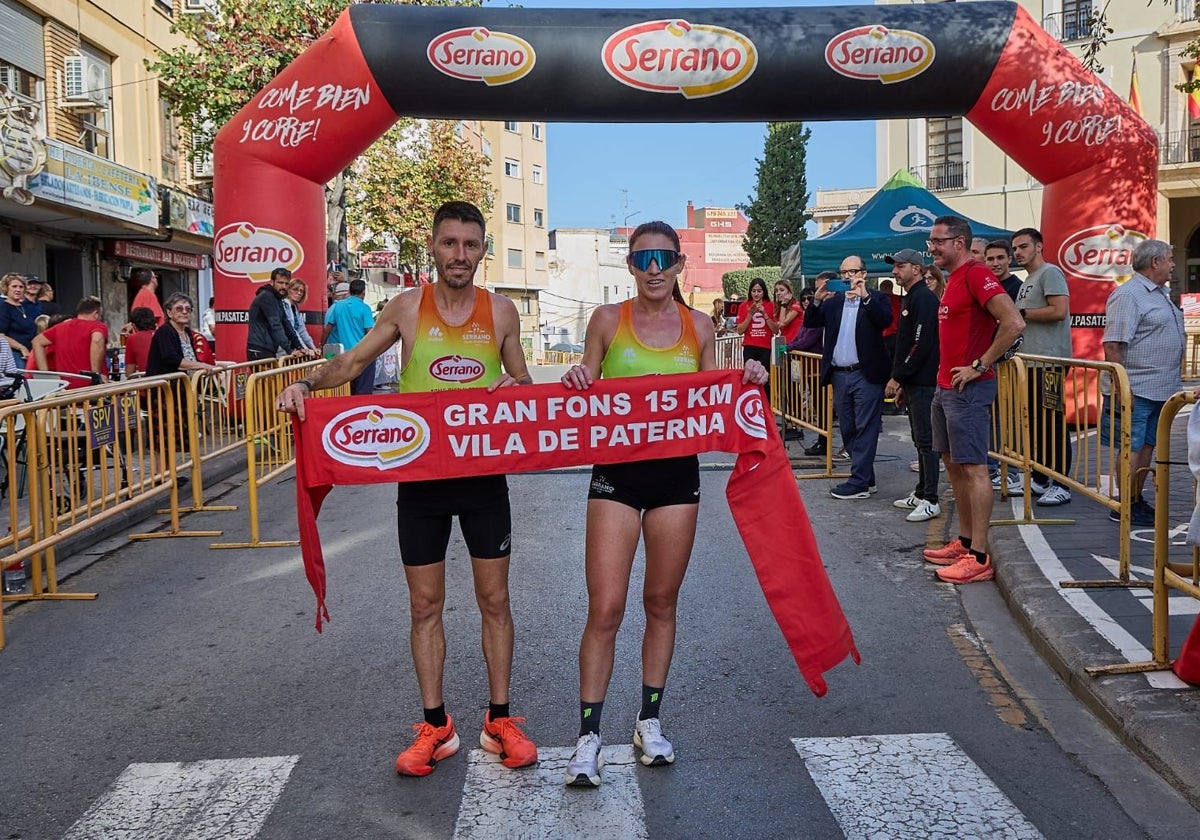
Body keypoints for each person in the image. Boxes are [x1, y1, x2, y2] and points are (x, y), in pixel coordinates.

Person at [277, 200, 538, 779]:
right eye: (450, 244)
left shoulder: (500, 313)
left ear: (482, 250)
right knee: (426, 605)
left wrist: (510, 388)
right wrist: (303, 383)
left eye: (471, 245)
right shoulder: (405, 306)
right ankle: (436, 724)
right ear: (433, 246)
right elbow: (350, 364)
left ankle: (500, 720)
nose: (460, 255)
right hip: (421, 479)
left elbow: (520, 380)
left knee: (494, 602)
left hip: (481, 478)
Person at [559, 220, 767, 787]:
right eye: (643, 258)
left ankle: (649, 722)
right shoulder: (607, 320)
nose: (654, 269)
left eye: (664, 259)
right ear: (630, 264)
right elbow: (586, 384)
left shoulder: (699, 326)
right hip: (617, 478)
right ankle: (588, 735)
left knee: (661, 603)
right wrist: (581, 374)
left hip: (677, 479)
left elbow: (712, 398)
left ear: (679, 266)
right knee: (605, 609)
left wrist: (746, 374)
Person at [922, 216, 1024, 584]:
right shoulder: (954, 280)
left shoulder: (978, 275)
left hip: (967, 389)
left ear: (959, 242)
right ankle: (965, 542)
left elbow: (1013, 322)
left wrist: (979, 366)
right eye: (931, 240)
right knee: (953, 464)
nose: (931, 247)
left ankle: (979, 556)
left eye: (937, 241)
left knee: (974, 468)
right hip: (946, 387)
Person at [1101, 239, 1184, 528]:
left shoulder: (1160, 293)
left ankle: (1135, 499)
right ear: (1155, 262)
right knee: (1131, 447)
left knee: (1148, 446)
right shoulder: (1129, 295)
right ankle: (1123, 504)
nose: (1173, 264)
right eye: (1170, 259)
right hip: (1137, 388)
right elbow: (1113, 346)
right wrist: (1124, 389)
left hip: (1159, 387)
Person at [804, 255, 893, 499]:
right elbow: (810, 322)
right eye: (843, 272)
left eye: (853, 271)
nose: (847, 276)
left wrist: (864, 296)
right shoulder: (834, 302)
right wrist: (817, 300)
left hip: (866, 373)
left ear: (863, 273)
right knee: (848, 428)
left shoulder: (876, 298)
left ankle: (859, 482)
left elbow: (885, 320)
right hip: (840, 374)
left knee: (866, 427)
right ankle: (867, 477)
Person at [1011, 227, 1074, 507]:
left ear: (1039, 246)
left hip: (1049, 362)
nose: (1018, 253)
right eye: (1015, 249)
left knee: (1053, 423)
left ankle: (1062, 483)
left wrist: (1022, 313)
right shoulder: (1029, 280)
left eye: (1023, 247)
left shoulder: (1050, 273)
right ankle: (1039, 477)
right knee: (1036, 424)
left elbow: (1058, 310)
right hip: (1030, 363)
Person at [884, 249, 942, 523]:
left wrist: (899, 377)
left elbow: (921, 343)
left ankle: (931, 498)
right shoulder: (912, 297)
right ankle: (921, 492)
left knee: (927, 441)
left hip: (925, 382)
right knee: (920, 440)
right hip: (914, 382)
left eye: (900, 266)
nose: (895, 271)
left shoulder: (924, 298)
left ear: (916, 269)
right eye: (894, 267)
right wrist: (904, 382)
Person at [31, 296, 109, 388]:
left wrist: (46, 375)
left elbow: (36, 342)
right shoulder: (97, 326)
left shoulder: (60, 327)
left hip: (65, 387)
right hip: (90, 388)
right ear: (96, 313)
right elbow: (97, 339)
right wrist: (95, 374)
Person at [321, 278, 376, 395]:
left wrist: (321, 346)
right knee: (363, 393)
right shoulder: (365, 308)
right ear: (363, 293)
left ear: (349, 292)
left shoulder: (338, 307)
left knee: (348, 392)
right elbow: (370, 332)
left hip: (344, 356)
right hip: (363, 356)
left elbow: (327, 330)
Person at [246, 267, 304, 361]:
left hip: (267, 350)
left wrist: (300, 347)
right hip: (259, 349)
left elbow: (287, 325)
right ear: (272, 282)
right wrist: (290, 350)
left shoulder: (278, 299)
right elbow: (275, 325)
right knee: (269, 376)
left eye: (286, 283)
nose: (284, 287)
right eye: (280, 283)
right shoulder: (267, 297)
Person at [735, 277, 777, 397]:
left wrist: (765, 314)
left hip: (765, 347)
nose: (756, 294)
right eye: (754, 291)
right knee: (750, 376)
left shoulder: (771, 305)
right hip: (749, 347)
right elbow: (739, 330)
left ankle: (766, 404)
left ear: (764, 291)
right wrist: (750, 314)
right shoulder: (744, 306)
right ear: (750, 292)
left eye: (759, 291)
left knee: (765, 378)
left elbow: (775, 330)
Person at [773, 280, 804, 440]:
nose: (779, 293)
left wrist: (784, 305)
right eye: (777, 290)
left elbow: (783, 322)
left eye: (782, 290)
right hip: (785, 351)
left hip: (795, 352)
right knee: (785, 388)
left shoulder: (796, 306)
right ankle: (790, 423)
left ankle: (797, 425)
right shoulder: (781, 307)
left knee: (793, 388)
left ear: (789, 291)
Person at [0, 274, 38, 367]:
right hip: (13, 354)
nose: (18, 289)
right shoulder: (3, 307)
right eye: (14, 286)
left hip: (31, 353)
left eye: (21, 287)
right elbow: (1, 335)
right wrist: (21, 348)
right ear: (6, 288)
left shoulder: (25, 307)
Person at [284, 279, 320, 358]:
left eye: (302, 291)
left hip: (293, 347)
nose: (299, 293)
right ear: (288, 290)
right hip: (282, 349)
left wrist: (313, 347)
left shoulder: (295, 307)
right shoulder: (285, 305)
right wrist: (305, 349)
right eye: (295, 289)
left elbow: (302, 331)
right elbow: (292, 330)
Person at [123, 307, 159, 376]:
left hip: (148, 383)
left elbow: (129, 373)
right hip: (168, 382)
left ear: (134, 326)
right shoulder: (163, 334)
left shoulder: (132, 339)